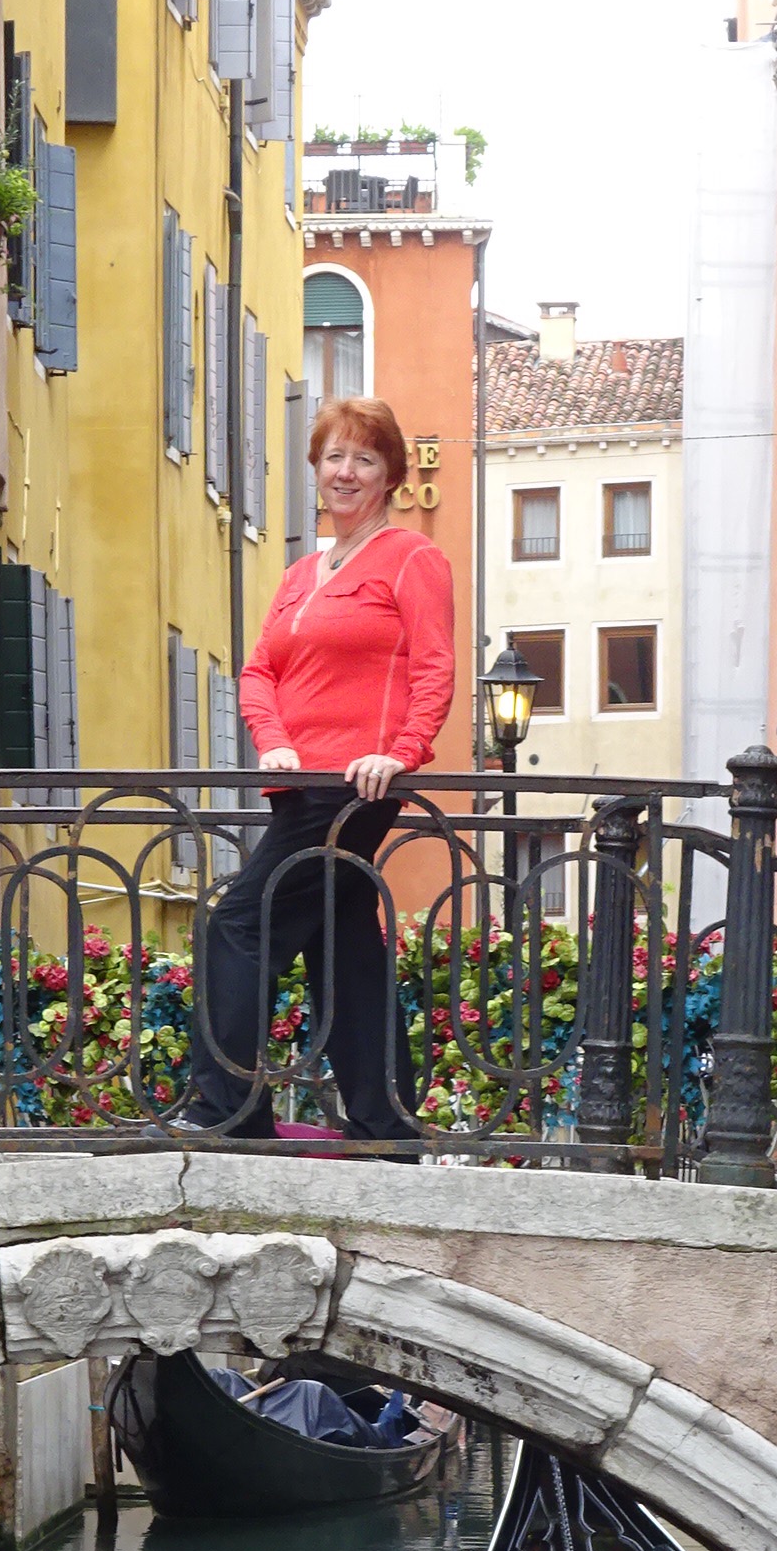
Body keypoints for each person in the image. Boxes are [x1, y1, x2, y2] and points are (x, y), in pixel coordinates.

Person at [182, 395, 455, 1145]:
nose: (346, 471)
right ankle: (385, 1122)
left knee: (239, 926)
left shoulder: (413, 558)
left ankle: (227, 1112)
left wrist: (401, 752)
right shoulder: (301, 574)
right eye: (335, 456)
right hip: (297, 784)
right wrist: (272, 741)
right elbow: (258, 672)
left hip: (352, 789)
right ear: (316, 468)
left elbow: (434, 668)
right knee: (342, 947)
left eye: (365, 458)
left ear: (390, 475)